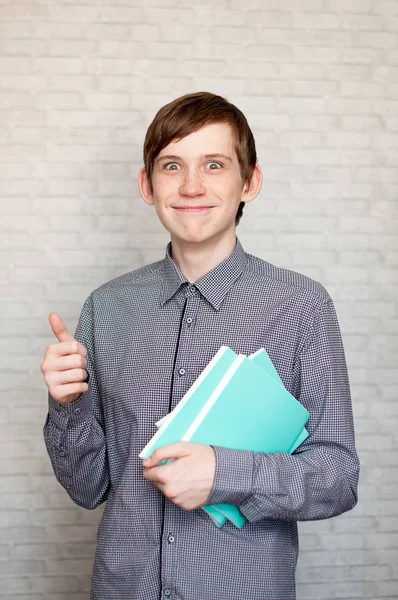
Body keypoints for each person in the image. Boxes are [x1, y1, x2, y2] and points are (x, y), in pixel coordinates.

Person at [41, 91, 359, 600]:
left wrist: (224, 473)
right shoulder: (105, 307)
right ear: (147, 185)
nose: (192, 185)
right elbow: (88, 489)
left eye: (214, 164)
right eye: (172, 165)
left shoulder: (302, 305)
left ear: (249, 182)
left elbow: (338, 478)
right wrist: (68, 406)